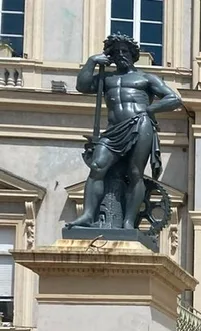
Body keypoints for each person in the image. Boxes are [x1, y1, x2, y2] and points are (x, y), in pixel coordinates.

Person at [66, 33, 182, 231]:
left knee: (135, 172)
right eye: (117, 51)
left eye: (125, 51)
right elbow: (82, 86)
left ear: (133, 54)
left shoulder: (146, 78)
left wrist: (149, 110)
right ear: (110, 55)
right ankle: (87, 215)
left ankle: (129, 221)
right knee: (97, 166)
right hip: (113, 130)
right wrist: (92, 61)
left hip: (140, 124)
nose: (121, 55)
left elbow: (174, 99)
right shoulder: (106, 79)